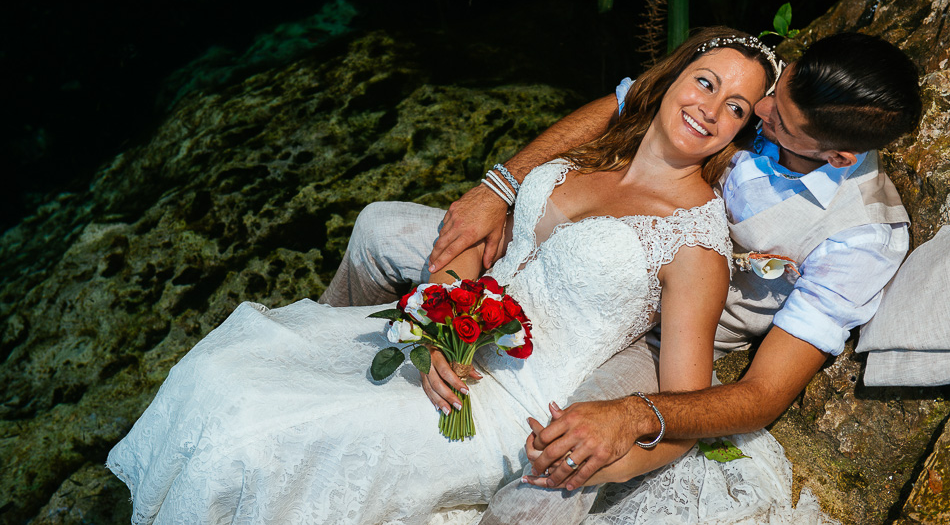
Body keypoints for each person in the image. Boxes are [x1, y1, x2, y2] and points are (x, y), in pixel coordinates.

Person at [106, 27, 777, 524]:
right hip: (449, 348)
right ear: (672, 78)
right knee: (222, 377)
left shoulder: (694, 242)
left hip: (505, 410)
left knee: (254, 433)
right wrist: (434, 323)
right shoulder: (591, 151)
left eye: (738, 108)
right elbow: (478, 253)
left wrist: (592, 456)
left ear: (740, 131)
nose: (711, 109)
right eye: (707, 82)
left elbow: (682, 413)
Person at [319, 32, 921, 523]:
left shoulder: (859, 238)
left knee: (562, 463)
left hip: (662, 336)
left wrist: (633, 414)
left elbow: (764, 395)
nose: (758, 111)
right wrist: (499, 188)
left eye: (778, 117)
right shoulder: (764, 86)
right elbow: (629, 101)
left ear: (839, 155)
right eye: (770, 94)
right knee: (379, 229)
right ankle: (330, 355)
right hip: (582, 249)